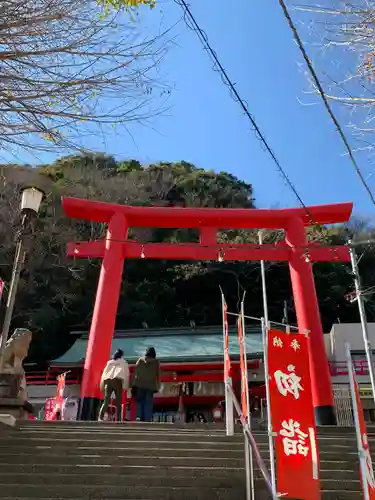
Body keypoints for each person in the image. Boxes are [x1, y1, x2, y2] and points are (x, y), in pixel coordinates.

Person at [98, 349, 129, 422]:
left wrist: (102, 385)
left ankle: (100, 416)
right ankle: (118, 419)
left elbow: (104, 373)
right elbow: (126, 374)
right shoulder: (124, 362)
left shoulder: (109, 362)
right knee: (118, 401)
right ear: (122, 355)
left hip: (108, 380)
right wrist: (125, 386)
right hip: (117, 380)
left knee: (106, 400)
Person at [132, 347, 160, 422]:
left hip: (140, 384)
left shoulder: (140, 360)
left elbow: (135, 373)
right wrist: (158, 386)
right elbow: (158, 375)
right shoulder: (156, 362)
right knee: (148, 402)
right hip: (151, 385)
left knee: (139, 401)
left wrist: (133, 384)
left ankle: (138, 416)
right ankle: (147, 419)